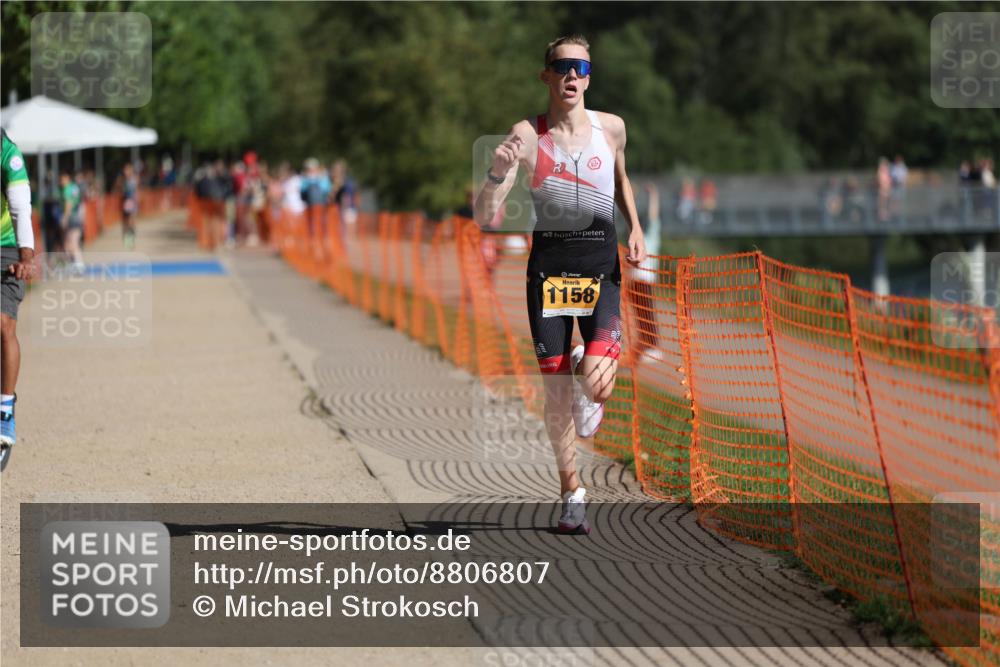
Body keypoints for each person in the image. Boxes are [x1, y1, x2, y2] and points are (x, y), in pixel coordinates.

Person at [475, 35, 646, 534]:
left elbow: (621, 178)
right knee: (555, 398)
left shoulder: (611, 128)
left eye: (581, 67)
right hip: (549, 271)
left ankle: (584, 371)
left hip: (600, 266)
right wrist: (496, 173)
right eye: (561, 66)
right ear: (545, 75)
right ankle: (572, 492)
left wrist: (634, 225)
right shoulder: (527, 136)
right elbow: (486, 217)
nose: (571, 75)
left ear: (590, 76)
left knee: (596, 382)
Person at [0, 129, 35, 469]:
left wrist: (26, 257)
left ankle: (5, 408)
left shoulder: (9, 155)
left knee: (3, 324)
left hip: (6, 248)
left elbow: (21, 209)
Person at [60, 171, 85, 272]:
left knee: (72, 242)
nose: (61, 182)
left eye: (62, 179)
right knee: (69, 242)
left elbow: (68, 204)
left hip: (72, 218)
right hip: (77, 217)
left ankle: (78, 264)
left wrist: (64, 218)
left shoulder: (67, 189)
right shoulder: (75, 187)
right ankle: (75, 263)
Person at [121, 163, 139, 249]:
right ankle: (127, 241)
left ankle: (132, 240)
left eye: (127, 170)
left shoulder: (134, 180)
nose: (126, 172)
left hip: (132, 203)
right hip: (126, 202)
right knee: (126, 223)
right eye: (125, 170)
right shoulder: (123, 181)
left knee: (132, 223)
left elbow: (136, 192)